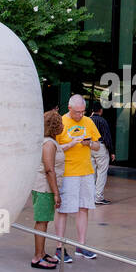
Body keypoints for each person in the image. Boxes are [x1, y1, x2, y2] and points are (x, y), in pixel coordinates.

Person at [54, 95, 102, 260]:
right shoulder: (60, 122)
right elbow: (53, 148)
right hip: (68, 172)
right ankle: (59, 247)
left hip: (86, 171)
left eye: (82, 112)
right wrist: (71, 144)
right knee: (64, 209)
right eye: (77, 112)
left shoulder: (88, 122)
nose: (80, 115)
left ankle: (81, 245)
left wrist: (89, 143)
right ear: (69, 108)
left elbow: (97, 145)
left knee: (84, 207)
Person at [31, 110, 79, 269]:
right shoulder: (49, 144)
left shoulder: (51, 142)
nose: (63, 126)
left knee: (44, 221)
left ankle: (42, 252)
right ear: (55, 126)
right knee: (42, 222)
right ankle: (37, 257)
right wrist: (56, 193)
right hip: (44, 188)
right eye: (60, 123)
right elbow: (49, 169)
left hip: (47, 188)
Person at [89, 101, 116, 204]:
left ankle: (91, 196)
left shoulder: (88, 120)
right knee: (102, 172)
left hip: (89, 146)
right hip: (100, 147)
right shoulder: (102, 121)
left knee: (92, 172)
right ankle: (98, 197)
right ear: (101, 110)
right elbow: (107, 137)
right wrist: (111, 151)